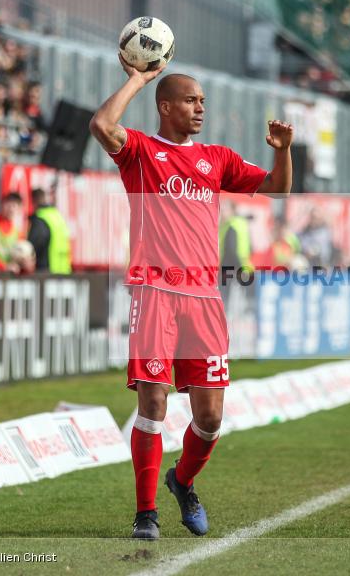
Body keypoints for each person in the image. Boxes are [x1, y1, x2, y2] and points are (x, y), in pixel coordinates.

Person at [89, 57, 293, 540]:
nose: (200, 108)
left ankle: (182, 482)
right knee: (154, 403)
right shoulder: (139, 151)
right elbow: (101, 124)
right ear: (165, 106)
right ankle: (146, 514)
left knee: (210, 418)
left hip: (204, 299)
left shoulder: (217, 158)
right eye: (190, 100)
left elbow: (278, 188)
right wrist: (139, 77)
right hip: (154, 292)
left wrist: (284, 151)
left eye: (202, 101)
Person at [27, 188, 72, 274]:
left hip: (47, 271)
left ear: (33, 201)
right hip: (64, 270)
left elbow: (33, 246)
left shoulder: (41, 218)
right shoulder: (57, 215)